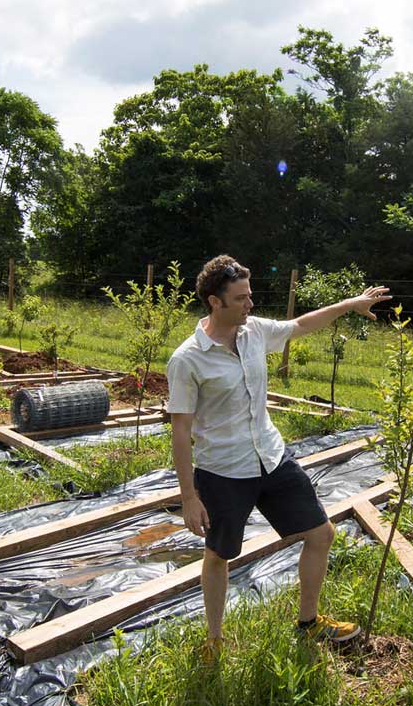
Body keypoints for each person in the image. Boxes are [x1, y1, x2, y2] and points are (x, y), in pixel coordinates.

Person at [166, 255, 391, 662]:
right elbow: (180, 431)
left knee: (321, 534)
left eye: (250, 295)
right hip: (223, 471)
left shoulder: (254, 332)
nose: (250, 305)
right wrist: (188, 497)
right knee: (218, 556)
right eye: (240, 299)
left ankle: (309, 624)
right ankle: (214, 641)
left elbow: (302, 325)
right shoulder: (188, 359)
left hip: (272, 458)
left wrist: (351, 304)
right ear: (215, 302)